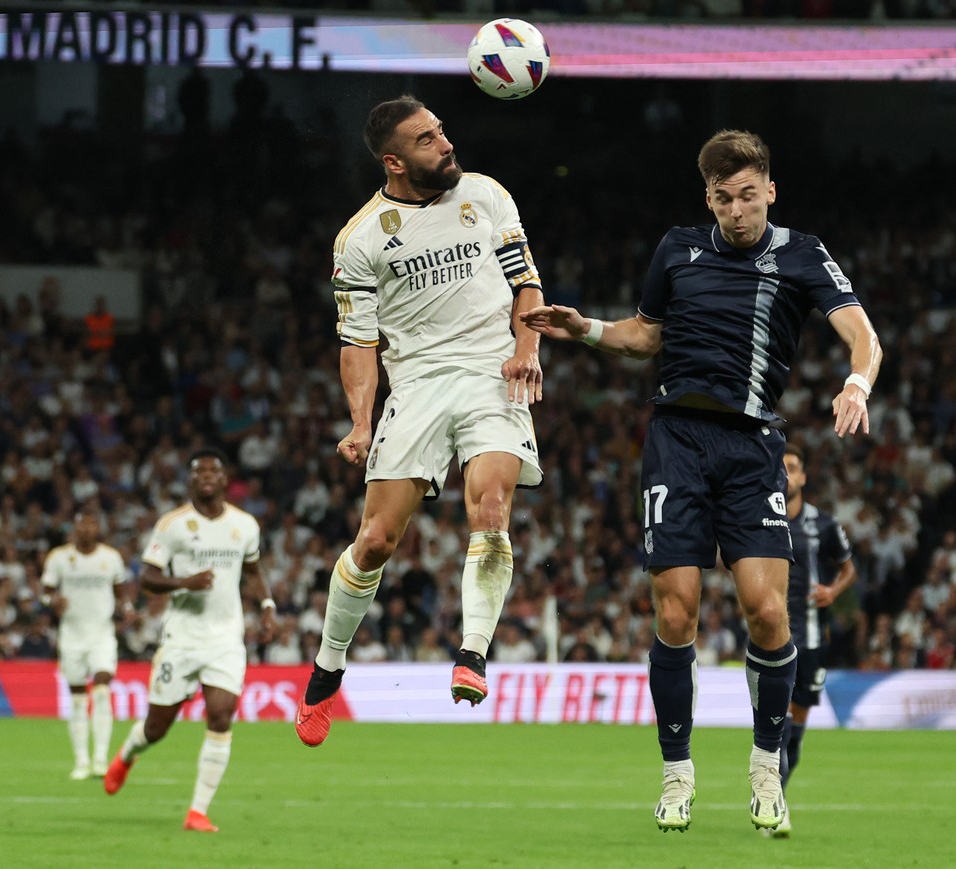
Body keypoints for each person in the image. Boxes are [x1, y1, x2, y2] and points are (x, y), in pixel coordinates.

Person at [520, 129, 881, 833]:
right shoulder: (678, 248)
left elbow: (863, 334)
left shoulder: (802, 255)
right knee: (677, 610)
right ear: (708, 198)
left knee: (767, 612)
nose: (737, 211)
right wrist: (585, 327)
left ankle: (767, 767)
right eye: (724, 198)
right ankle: (677, 774)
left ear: (770, 191)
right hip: (677, 439)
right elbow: (646, 335)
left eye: (749, 196)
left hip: (752, 445)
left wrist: (857, 383)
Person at [294, 95, 545, 747]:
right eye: (428, 139)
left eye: (443, 130)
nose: (446, 143)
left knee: (490, 506)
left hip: (492, 371)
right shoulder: (361, 238)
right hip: (420, 382)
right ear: (395, 160)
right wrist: (359, 421)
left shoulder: (487, 196)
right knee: (376, 539)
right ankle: (326, 670)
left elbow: (527, 285)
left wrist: (526, 350)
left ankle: (472, 653)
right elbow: (359, 340)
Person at [104, 449, 274, 833]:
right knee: (157, 727)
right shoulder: (173, 525)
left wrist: (266, 603)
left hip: (227, 638)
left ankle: (197, 811)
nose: (208, 476)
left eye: (214, 470)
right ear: (191, 480)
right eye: (200, 471)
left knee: (220, 714)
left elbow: (252, 569)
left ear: (225, 478)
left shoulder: (245, 525)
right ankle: (127, 755)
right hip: (181, 638)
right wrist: (184, 582)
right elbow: (147, 578)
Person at [765, 444, 856, 838]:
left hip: (814, 639)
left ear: (803, 477)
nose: (787, 474)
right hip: (775, 638)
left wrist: (834, 592)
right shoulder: (762, 518)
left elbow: (848, 568)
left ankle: (777, 793)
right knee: (778, 725)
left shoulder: (824, 524)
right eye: (781, 468)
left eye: (794, 468)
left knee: (796, 732)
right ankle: (775, 804)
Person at [41, 510, 127, 780]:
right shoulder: (59, 558)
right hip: (72, 636)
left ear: (97, 528)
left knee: (101, 691)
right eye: (82, 525)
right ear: (74, 529)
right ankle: (81, 760)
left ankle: (101, 758)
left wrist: (127, 609)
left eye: (92, 524)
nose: (87, 530)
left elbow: (120, 591)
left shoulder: (111, 558)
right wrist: (52, 602)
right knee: (78, 699)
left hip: (101, 634)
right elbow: (46, 593)